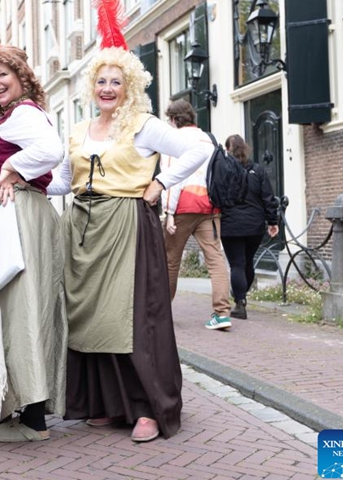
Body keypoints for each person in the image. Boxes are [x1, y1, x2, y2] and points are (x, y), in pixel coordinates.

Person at [47, 47, 213, 442]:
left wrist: (161, 183)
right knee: (92, 318)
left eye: (116, 82)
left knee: (135, 318)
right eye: (101, 81)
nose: (108, 88)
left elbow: (201, 147)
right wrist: (20, 175)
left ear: (129, 87)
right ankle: (107, 403)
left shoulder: (143, 125)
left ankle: (148, 408)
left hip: (126, 225)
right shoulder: (77, 130)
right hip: (83, 227)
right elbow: (62, 182)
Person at [0, 45, 67, 443]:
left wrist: (11, 169)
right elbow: (60, 177)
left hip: (20, 220)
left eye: (2, 74)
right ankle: (29, 410)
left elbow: (54, 153)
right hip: (28, 214)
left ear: (22, 75)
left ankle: (32, 419)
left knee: (23, 310)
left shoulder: (23, 115)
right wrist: (28, 179)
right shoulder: (20, 116)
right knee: (31, 308)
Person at [161, 99, 232, 331]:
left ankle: (162, 313)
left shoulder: (174, 140)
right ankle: (222, 313)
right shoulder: (211, 139)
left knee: (171, 260)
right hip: (210, 207)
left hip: (182, 206)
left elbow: (173, 178)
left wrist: (168, 212)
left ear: (173, 119)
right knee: (216, 259)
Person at [220, 134, 279, 319]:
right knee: (247, 261)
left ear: (228, 150)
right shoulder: (258, 170)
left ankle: (240, 302)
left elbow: (217, 194)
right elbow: (268, 197)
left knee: (237, 264)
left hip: (231, 224)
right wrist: (272, 221)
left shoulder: (224, 170)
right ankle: (241, 294)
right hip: (254, 225)